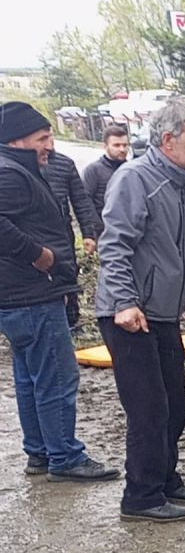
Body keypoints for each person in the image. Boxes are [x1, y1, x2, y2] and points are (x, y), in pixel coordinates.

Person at [96, 95, 185, 522]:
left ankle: (165, 479)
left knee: (175, 405)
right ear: (168, 139)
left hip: (164, 313)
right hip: (129, 315)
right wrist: (125, 302)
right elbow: (115, 247)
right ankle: (141, 497)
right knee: (149, 408)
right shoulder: (135, 178)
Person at [0, 101, 118, 482]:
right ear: (16, 140)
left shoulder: (19, 167)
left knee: (30, 376)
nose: (50, 144)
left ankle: (40, 451)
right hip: (32, 294)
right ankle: (64, 456)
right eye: (43, 138)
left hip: (20, 297)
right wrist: (42, 257)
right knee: (55, 377)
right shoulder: (10, 174)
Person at [42, 149, 99, 326]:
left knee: (68, 272)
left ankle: (72, 319)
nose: (48, 143)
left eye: (50, 136)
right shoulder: (20, 165)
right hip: (37, 233)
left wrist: (88, 233)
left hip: (63, 231)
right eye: (43, 138)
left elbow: (80, 201)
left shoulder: (64, 163)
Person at [80, 123, 130, 232]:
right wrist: (98, 228)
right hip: (105, 231)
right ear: (105, 146)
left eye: (125, 145)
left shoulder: (132, 170)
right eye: (116, 145)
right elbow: (86, 201)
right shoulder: (94, 170)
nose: (122, 149)